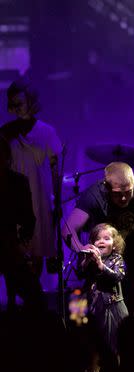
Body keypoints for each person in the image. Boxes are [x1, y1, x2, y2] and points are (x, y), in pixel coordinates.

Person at [64, 161, 134, 355]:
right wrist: (82, 249)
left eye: (128, 192)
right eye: (117, 193)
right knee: (95, 325)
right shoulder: (94, 195)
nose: (123, 197)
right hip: (102, 266)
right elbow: (68, 228)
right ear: (106, 186)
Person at [1, 78, 63, 283]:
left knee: (37, 248)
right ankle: (13, 305)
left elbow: (55, 169)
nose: (15, 108)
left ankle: (33, 301)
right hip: (12, 199)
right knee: (13, 250)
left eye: (19, 103)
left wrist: (57, 200)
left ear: (31, 102)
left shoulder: (46, 132)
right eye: (12, 104)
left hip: (39, 197)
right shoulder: (6, 133)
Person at [0, 136, 45, 312]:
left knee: (35, 298)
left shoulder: (17, 181)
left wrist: (22, 245)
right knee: (35, 298)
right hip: (10, 246)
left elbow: (28, 218)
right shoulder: (17, 181)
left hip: (9, 246)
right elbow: (27, 218)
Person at [79, 223, 128, 372]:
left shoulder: (116, 258)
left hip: (112, 308)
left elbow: (117, 276)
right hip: (95, 308)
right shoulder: (91, 261)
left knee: (113, 343)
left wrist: (101, 265)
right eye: (97, 239)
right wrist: (87, 261)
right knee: (94, 341)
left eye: (106, 238)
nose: (101, 241)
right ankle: (95, 370)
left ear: (114, 245)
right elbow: (81, 275)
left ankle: (117, 370)